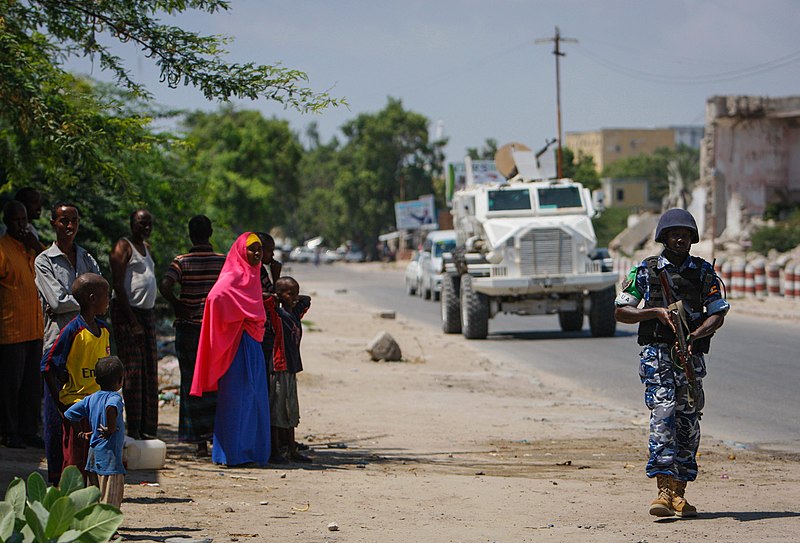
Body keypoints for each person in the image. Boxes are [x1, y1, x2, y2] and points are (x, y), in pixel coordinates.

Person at [614, 208, 729, 518]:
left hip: (689, 359)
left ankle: (679, 492)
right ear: (663, 237)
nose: (680, 238)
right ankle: (663, 489)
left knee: (688, 424)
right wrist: (655, 313)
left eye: (686, 234)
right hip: (657, 357)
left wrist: (696, 334)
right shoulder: (646, 271)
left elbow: (718, 312)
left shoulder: (704, 273)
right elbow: (621, 311)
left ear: (693, 238)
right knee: (664, 416)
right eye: (674, 233)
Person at [190, 233, 271, 467]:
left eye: (260, 249)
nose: (257, 253)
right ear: (241, 251)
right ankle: (232, 454)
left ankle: (253, 452)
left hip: (252, 344)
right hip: (237, 343)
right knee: (237, 399)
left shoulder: (253, 275)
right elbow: (215, 298)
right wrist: (237, 320)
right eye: (252, 249)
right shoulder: (234, 274)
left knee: (254, 398)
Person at [35, 202, 101, 482]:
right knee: (57, 413)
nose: (69, 226)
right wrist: (85, 302)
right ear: (53, 223)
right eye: (64, 221)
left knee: (86, 416)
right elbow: (55, 301)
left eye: (73, 220)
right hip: (59, 345)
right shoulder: (44, 261)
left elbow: (96, 294)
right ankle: (55, 477)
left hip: (86, 347)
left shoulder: (86, 257)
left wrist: (72, 304)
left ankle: (82, 476)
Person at [159, 215, 225, 457]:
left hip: (188, 329)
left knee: (191, 381)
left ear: (190, 235)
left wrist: (177, 303)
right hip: (215, 331)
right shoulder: (223, 261)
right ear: (210, 232)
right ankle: (217, 435)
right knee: (215, 382)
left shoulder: (181, 261)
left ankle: (198, 441)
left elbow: (165, 284)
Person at [41, 273, 111, 480]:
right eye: (106, 296)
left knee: (95, 460)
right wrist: (61, 404)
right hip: (77, 407)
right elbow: (47, 366)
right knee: (74, 461)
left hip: (98, 407)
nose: (109, 300)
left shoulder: (104, 330)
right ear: (92, 299)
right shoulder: (72, 330)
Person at [110, 209, 158, 439]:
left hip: (147, 314)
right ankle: (133, 428)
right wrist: (132, 322)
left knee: (150, 370)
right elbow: (118, 285)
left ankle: (146, 428)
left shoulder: (147, 248)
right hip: (128, 314)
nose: (145, 227)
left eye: (148, 223)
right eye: (141, 223)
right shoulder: (123, 246)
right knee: (134, 370)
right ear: (132, 224)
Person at [0, 200, 44, 449]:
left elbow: (53, 267)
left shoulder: (30, 250)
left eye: (24, 220)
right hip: (11, 330)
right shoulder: (3, 249)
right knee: (10, 386)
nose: (21, 225)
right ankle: (9, 432)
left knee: (31, 386)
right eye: (16, 220)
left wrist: (35, 246)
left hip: (34, 330)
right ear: (6, 221)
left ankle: (28, 431)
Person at [64, 356, 126, 509]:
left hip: (93, 455)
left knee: (93, 495)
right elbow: (111, 408)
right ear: (120, 380)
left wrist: (81, 432)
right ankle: (110, 531)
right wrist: (110, 428)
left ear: (96, 380)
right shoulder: (115, 397)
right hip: (110, 457)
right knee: (110, 496)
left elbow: (70, 414)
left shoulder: (91, 398)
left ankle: (92, 525)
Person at [264, 276, 312, 464]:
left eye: (295, 293)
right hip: (279, 367)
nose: (295, 297)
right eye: (290, 293)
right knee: (276, 410)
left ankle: (291, 450)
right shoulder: (276, 315)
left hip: (291, 368)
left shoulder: (293, 313)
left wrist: (293, 299)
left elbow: (307, 300)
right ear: (279, 295)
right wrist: (276, 297)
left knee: (291, 410)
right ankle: (275, 450)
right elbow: (264, 300)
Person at [0, 187, 45, 254]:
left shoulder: (31, 231)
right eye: (34, 202)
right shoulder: (3, 233)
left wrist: (36, 246)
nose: (39, 207)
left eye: (23, 219)